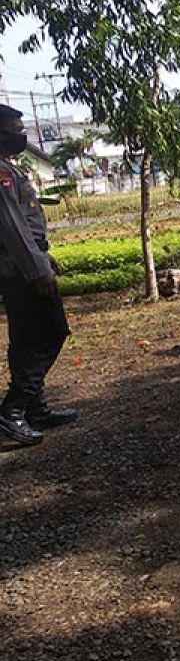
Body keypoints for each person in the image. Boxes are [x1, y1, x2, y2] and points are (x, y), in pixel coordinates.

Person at [0, 104, 76, 447]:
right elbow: (12, 228)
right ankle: (12, 411)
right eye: (16, 129)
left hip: (23, 263)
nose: (22, 134)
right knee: (50, 331)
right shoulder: (1, 174)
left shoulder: (8, 169)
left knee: (27, 336)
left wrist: (45, 255)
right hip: (20, 269)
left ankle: (34, 408)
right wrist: (37, 269)